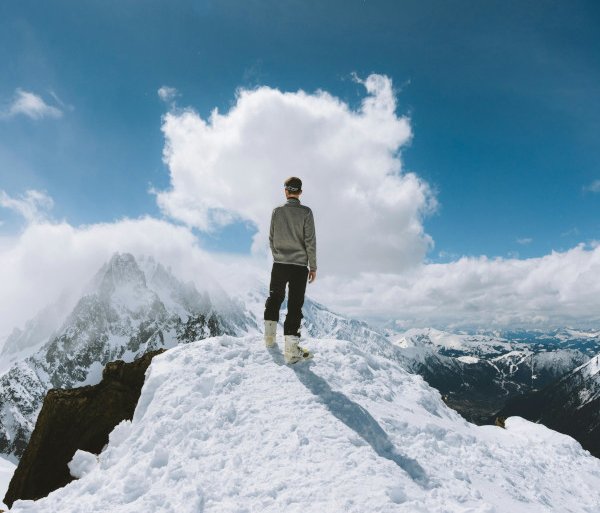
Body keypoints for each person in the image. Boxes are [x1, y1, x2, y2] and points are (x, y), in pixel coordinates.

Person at [264, 176, 317, 363]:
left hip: (279, 264)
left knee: (274, 298)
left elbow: (271, 238)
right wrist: (313, 266)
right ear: (300, 192)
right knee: (295, 305)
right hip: (299, 267)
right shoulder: (306, 212)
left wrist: (278, 256)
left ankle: (269, 340)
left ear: (286, 191)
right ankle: (291, 351)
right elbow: (310, 242)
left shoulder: (276, 211)